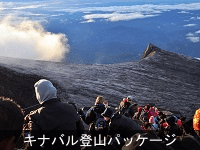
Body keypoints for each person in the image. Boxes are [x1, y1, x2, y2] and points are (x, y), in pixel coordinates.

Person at [25, 79, 84, 150]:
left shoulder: (35, 116)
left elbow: (34, 145)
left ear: (39, 95)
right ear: (53, 90)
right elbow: (81, 131)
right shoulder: (71, 107)